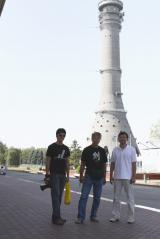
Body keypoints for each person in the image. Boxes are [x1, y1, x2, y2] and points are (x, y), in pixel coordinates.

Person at [75, 132, 107, 224]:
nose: (96, 139)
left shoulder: (102, 151)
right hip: (89, 176)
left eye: (98, 138)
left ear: (100, 139)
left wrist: (104, 177)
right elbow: (82, 164)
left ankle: (93, 216)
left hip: (99, 177)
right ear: (92, 138)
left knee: (97, 198)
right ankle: (80, 217)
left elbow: (104, 165)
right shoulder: (86, 150)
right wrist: (81, 176)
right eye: (94, 137)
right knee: (84, 197)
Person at [109, 131, 137, 224]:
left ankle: (131, 217)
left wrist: (133, 176)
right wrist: (110, 175)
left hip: (128, 177)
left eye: (124, 137)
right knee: (116, 198)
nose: (122, 139)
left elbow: (133, 164)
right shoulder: (115, 150)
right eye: (121, 137)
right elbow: (112, 163)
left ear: (127, 139)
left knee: (129, 198)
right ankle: (115, 216)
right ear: (118, 139)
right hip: (117, 177)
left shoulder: (131, 149)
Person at [46, 128, 70, 225]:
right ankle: (57, 218)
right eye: (60, 135)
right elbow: (48, 161)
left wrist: (68, 175)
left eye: (64, 135)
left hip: (62, 175)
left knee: (59, 196)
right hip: (54, 174)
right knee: (55, 196)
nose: (62, 137)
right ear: (56, 135)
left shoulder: (66, 148)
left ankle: (55, 217)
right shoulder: (51, 147)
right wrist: (47, 174)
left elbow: (67, 162)